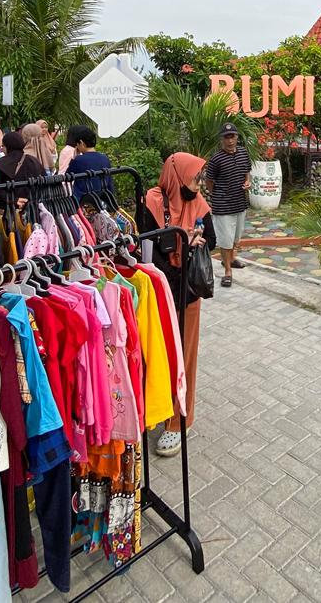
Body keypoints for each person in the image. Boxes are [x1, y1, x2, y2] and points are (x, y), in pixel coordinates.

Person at [139, 152, 213, 457]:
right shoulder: (152, 202)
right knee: (158, 354)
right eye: (194, 177)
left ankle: (179, 420)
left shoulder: (199, 204)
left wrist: (196, 242)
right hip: (158, 293)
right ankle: (158, 407)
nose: (198, 184)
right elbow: (146, 252)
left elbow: (212, 240)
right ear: (177, 176)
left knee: (185, 356)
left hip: (187, 295)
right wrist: (180, 243)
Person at [203, 122, 252, 287]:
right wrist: (217, 194)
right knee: (225, 239)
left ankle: (230, 259)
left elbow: (247, 172)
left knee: (235, 238)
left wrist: (247, 182)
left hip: (240, 203)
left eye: (232, 136)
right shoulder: (216, 159)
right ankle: (228, 272)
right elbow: (209, 181)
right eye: (226, 137)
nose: (230, 140)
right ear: (221, 139)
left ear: (237, 137)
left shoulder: (243, 153)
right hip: (223, 206)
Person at [0, 131, 44, 209]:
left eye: (3, 146)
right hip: (33, 207)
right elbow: (44, 181)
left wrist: (13, 200)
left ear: (7, 146)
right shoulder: (33, 161)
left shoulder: (0, 164)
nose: (2, 149)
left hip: (9, 209)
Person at [63, 125, 115, 199]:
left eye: (77, 144)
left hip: (83, 200)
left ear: (81, 143)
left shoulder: (78, 160)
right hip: (103, 198)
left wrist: (75, 157)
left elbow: (67, 177)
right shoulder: (105, 158)